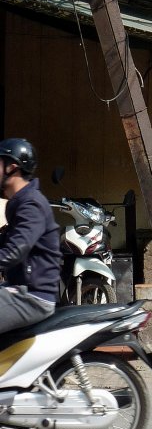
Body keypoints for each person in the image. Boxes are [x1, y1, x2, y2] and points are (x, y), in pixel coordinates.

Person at [0, 138, 61, 334]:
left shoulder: (31, 204)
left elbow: (15, 249)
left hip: (33, 296)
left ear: (12, 167)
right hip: (20, 288)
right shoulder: (20, 203)